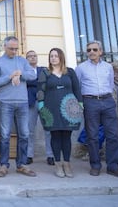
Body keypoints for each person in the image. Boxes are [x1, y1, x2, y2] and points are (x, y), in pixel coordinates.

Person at [75, 40, 118, 178]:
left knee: (114, 135)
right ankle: (95, 165)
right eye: (89, 50)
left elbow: (110, 84)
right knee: (92, 136)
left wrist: (109, 99)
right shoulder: (81, 68)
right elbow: (77, 86)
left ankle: (113, 166)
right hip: (90, 102)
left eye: (94, 49)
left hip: (108, 101)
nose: (91, 52)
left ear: (100, 51)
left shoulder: (108, 67)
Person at [0, 36, 36, 178]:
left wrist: (21, 74)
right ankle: (3, 165)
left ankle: (21, 164)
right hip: (6, 102)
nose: (14, 51)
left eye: (16, 48)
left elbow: (33, 76)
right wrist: (9, 76)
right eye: (11, 48)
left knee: (24, 134)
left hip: (22, 102)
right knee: (4, 135)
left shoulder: (22, 61)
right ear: (4, 47)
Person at [37, 48, 83, 178]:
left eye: (56, 56)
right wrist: (41, 107)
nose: (53, 58)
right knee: (55, 136)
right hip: (50, 110)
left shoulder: (70, 72)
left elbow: (77, 89)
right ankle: (58, 164)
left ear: (61, 57)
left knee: (66, 137)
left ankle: (67, 164)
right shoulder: (45, 73)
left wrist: (80, 105)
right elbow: (40, 90)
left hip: (69, 109)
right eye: (51, 56)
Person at [25, 50, 55, 166]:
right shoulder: (24, 71)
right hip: (30, 103)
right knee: (29, 130)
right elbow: (27, 82)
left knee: (48, 129)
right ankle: (29, 155)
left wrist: (33, 82)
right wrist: (37, 82)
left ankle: (50, 155)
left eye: (34, 56)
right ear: (26, 59)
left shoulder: (44, 70)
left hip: (44, 102)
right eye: (30, 56)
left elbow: (47, 83)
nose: (32, 58)